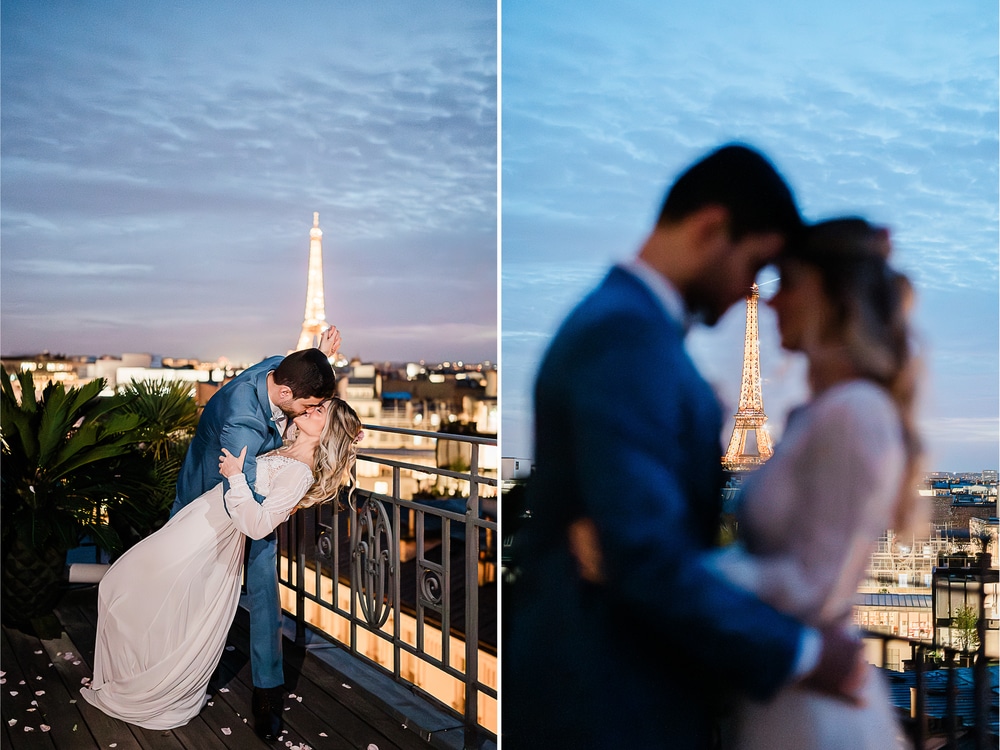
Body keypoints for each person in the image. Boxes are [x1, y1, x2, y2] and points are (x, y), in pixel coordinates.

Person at [503, 144, 864, 749]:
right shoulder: (626, 338)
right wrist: (804, 653)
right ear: (712, 229)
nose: (753, 291)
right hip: (610, 704)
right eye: (754, 265)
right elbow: (647, 556)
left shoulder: (625, 326)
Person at [707, 218, 923, 749]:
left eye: (790, 284)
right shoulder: (827, 412)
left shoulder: (854, 413)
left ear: (832, 297)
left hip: (817, 716)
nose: (772, 303)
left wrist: (686, 570)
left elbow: (814, 587)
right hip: (795, 699)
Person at [80, 398, 363, 730]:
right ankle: (131, 677)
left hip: (211, 535)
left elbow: (258, 525)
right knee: (134, 587)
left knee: (128, 584)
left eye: (321, 412)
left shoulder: (300, 472)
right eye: (315, 405)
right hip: (199, 520)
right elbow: (288, 389)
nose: (311, 410)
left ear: (329, 430)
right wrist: (322, 354)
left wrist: (235, 476)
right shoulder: (285, 446)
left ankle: (149, 689)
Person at [171, 330, 339, 739]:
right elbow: (245, 502)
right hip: (215, 497)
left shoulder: (280, 369)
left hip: (252, 494)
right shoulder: (242, 421)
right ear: (284, 394)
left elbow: (303, 375)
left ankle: (266, 693)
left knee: (263, 588)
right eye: (312, 406)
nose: (316, 411)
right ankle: (183, 662)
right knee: (189, 585)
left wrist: (323, 358)